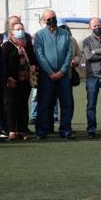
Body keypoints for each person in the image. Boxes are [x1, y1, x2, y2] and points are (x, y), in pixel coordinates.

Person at [33, 10, 73, 140]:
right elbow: (40, 55)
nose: (52, 20)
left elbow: (69, 53)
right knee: (44, 104)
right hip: (46, 76)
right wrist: (50, 72)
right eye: (49, 18)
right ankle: (41, 131)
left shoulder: (65, 34)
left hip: (63, 75)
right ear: (44, 20)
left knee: (66, 104)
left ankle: (66, 131)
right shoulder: (39, 35)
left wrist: (62, 71)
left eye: (54, 17)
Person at [2, 22, 36, 140]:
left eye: (22, 28)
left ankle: (23, 130)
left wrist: (33, 66)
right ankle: (12, 130)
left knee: (23, 105)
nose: (20, 30)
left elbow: (33, 59)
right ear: (11, 33)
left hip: (25, 79)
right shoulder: (6, 46)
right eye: (17, 29)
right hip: (11, 80)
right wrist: (7, 77)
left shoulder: (27, 45)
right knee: (12, 105)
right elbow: (3, 64)